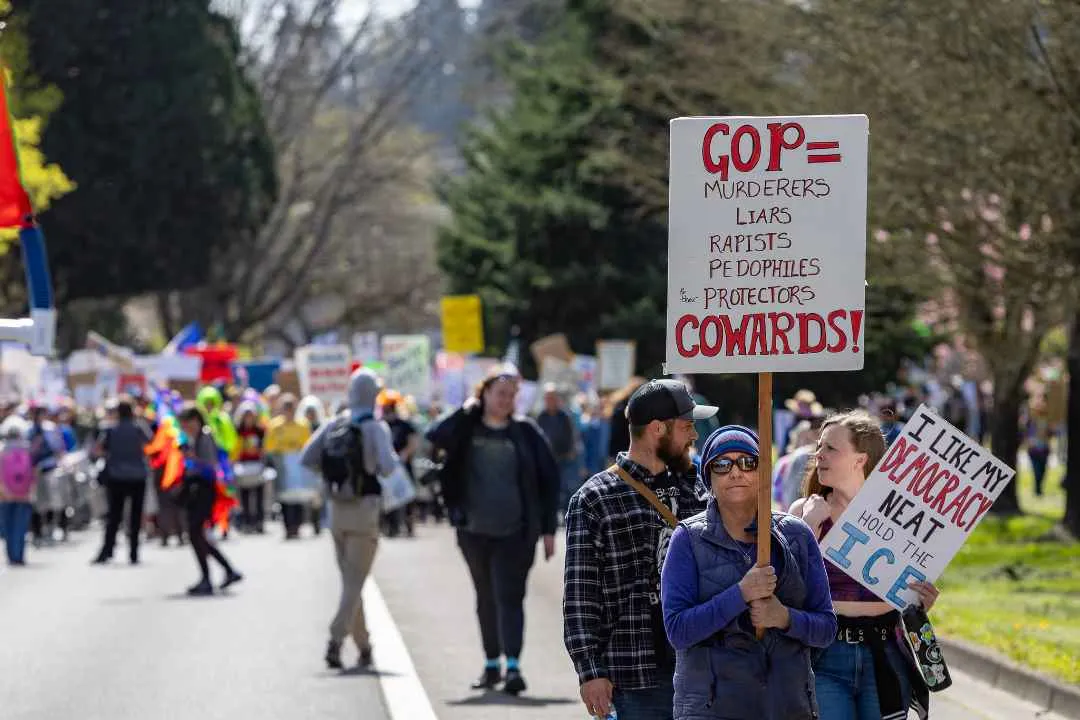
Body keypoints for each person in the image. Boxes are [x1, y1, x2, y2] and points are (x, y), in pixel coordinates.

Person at [563, 379, 717, 720]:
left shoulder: (703, 486)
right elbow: (580, 596)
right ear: (658, 429)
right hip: (636, 674)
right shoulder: (595, 498)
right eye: (687, 426)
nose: (694, 435)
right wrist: (590, 671)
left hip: (704, 666)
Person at [661, 425, 836, 719]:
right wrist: (741, 593)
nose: (735, 471)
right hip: (712, 708)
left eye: (747, 462)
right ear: (708, 479)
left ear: (762, 472)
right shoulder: (687, 539)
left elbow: (827, 628)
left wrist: (784, 618)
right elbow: (678, 631)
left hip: (786, 706)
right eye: (721, 464)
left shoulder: (797, 535)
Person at [790, 410, 939, 720]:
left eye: (830, 448)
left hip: (884, 651)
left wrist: (920, 600)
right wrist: (809, 529)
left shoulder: (900, 516)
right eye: (819, 446)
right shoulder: (805, 511)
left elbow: (904, 588)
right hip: (825, 652)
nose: (818, 454)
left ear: (860, 459)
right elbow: (789, 589)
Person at [426, 364, 560, 695]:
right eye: (499, 393)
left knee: (509, 595)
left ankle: (513, 665)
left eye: (511, 395)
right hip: (473, 531)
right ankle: (491, 663)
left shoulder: (526, 433)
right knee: (485, 596)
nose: (506, 400)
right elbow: (435, 436)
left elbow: (549, 480)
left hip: (516, 532)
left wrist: (547, 530)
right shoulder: (466, 429)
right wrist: (466, 410)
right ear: (484, 393)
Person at [301, 368, 397, 670]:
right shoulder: (375, 427)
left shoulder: (333, 424)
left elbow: (307, 457)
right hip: (365, 510)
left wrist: (333, 479)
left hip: (336, 511)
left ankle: (364, 645)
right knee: (354, 583)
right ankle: (335, 638)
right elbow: (388, 467)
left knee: (350, 582)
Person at [177, 404, 243, 596]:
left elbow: (211, 465)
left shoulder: (205, 437)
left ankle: (217, 574)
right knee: (197, 535)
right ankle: (222, 572)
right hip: (197, 489)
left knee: (197, 533)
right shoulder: (196, 438)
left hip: (204, 489)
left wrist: (192, 458)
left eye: (187, 423)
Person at [92, 397, 154, 565]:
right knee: (135, 516)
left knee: (114, 516)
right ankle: (133, 552)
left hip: (116, 476)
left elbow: (98, 449)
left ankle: (107, 550)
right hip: (137, 475)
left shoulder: (111, 429)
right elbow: (151, 445)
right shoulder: (139, 428)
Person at [264, 394, 314, 539]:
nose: (288, 411)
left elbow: (307, 444)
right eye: (286, 408)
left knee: (298, 495)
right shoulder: (275, 425)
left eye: (291, 408)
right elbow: (269, 446)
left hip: (297, 465)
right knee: (284, 496)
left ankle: (297, 525)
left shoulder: (303, 425)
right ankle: (287, 526)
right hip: (282, 464)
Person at [536, 383, 582, 514]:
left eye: (552, 397)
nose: (550, 401)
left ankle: (566, 513)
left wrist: (572, 451)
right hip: (548, 459)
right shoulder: (541, 416)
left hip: (565, 458)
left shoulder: (565, 416)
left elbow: (573, 434)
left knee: (567, 487)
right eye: (548, 398)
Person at [380, 390, 419, 538]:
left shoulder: (404, 424)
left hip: (403, 465)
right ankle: (391, 525)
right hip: (388, 467)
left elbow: (413, 441)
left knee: (408, 495)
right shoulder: (381, 425)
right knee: (388, 495)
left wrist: (405, 454)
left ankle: (409, 524)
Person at [0, 415, 35, 565]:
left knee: (7, 527)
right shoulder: (26, 451)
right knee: (20, 526)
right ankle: (19, 555)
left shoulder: (2, 451)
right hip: (23, 494)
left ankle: (11, 555)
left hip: (5, 494)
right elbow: (31, 474)